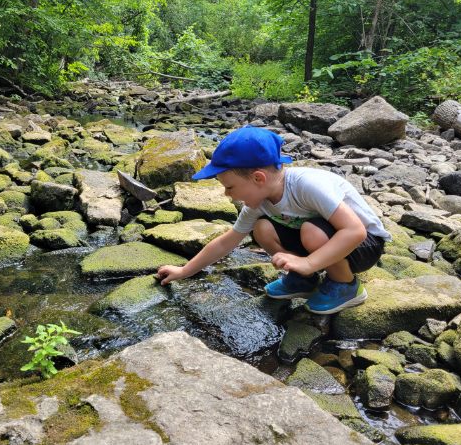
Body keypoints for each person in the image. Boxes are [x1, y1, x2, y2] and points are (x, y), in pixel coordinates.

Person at [156, 125, 391, 315]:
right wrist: (184, 270)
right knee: (262, 228)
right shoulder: (259, 202)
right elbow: (226, 242)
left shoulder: (307, 185)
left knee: (311, 231)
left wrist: (309, 262)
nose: (227, 195)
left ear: (258, 178)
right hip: (326, 241)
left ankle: (345, 286)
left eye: (230, 187)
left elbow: (355, 231)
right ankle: (303, 279)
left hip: (364, 246)